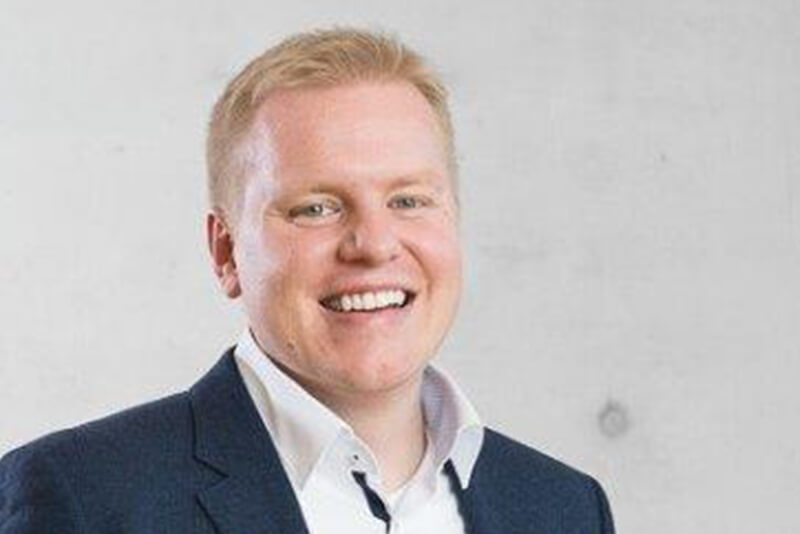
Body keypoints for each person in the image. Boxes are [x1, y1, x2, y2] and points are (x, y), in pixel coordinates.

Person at [0, 28, 614, 533]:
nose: (374, 244)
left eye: (408, 201)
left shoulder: (563, 509)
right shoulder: (84, 499)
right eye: (316, 208)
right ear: (226, 252)